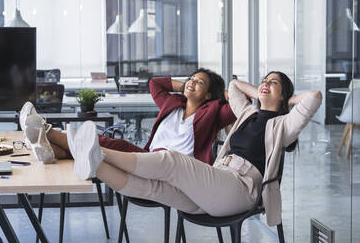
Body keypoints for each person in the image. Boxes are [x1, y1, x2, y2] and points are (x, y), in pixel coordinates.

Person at [69, 71, 322, 227]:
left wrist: (286, 99)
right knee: (155, 189)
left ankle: (96, 152)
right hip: (218, 183)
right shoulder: (248, 113)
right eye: (264, 80)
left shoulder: (283, 125)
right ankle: (96, 165)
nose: (266, 83)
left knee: (171, 161)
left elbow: (314, 98)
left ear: (284, 95)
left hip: (241, 191)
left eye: (273, 82)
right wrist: (261, 93)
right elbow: (233, 87)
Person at [20, 68, 236, 165]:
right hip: (150, 158)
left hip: (179, 167)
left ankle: (44, 131)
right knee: (106, 145)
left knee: (106, 143)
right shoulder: (172, 103)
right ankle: (52, 150)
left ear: (209, 94)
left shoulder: (213, 112)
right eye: (192, 78)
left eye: (200, 82)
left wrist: (219, 94)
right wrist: (186, 86)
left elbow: (238, 104)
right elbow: (155, 83)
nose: (192, 82)